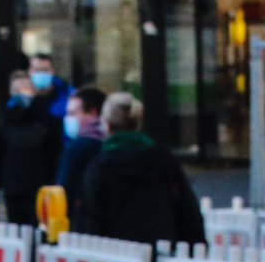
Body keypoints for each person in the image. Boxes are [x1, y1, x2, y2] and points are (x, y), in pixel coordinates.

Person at [77, 92, 205, 247]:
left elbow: (90, 219)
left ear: (106, 125)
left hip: (118, 257)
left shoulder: (99, 167)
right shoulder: (165, 159)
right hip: (162, 253)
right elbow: (188, 210)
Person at [0, 72, 65, 227]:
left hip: (20, 187)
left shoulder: (7, 119)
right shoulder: (44, 117)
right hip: (33, 187)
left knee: (21, 230)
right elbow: (55, 155)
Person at [52, 86, 106, 199]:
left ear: (92, 113)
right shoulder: (110, 142)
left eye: (72, 113)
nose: (66, 118)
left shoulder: (76, 148)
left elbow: (63, 190)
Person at [26, 52, 72, 122]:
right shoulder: (20, 98)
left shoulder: (68, 94)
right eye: (37, 70)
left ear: (52, 71)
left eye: (45, 70)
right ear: (30, 71)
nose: (41, 74)